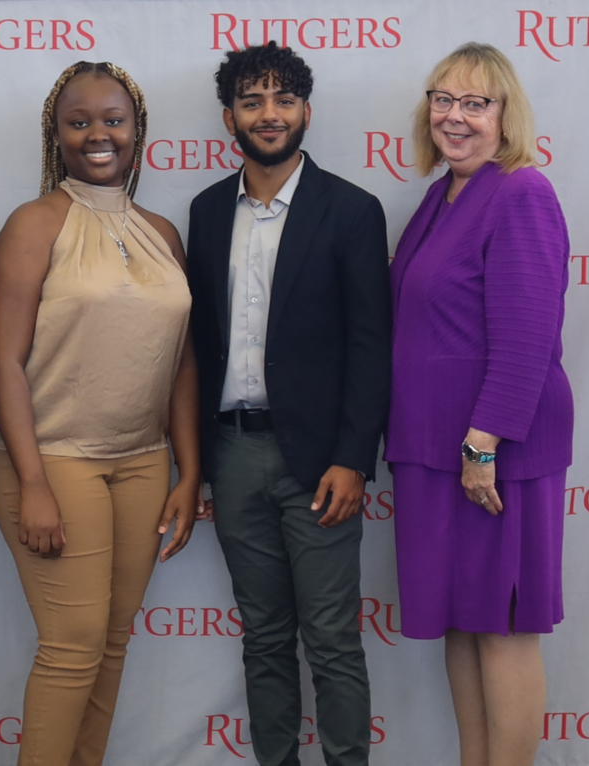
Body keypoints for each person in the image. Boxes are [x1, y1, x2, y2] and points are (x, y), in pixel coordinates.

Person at [0, 61, 200, 766]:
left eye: (114, 120)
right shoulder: (33, 224)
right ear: (57, 133)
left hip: (142, 463)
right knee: (72, 647)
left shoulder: (163, 233)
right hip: (54, 458)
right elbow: (5, 361)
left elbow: (182, 363)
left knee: (110, 643)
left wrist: (188, 470)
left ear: (138, 132)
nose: (97, 134)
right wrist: (36, 483)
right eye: (79, 122)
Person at [186, 42, 391, 766]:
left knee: (332, 638)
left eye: (282, 100)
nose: (268, 114)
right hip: (234, 454)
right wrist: (199, 461)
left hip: (320, 463)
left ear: (305, 110)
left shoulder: (352, 210)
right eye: (252, 101)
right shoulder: (206, 211)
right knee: (263, 635)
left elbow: (372, 348)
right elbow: (199, 345)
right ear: (228, 117)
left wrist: (352, 458)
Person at [386, 42, 572, 766]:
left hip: (494, 451)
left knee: (503, 627)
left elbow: (528, 339)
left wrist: (481, 447)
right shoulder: (442, 195)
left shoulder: (521, 192)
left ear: (505, 115)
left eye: (475, 103)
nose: (454, 117)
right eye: (443, 99)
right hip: (433, 449)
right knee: (463, 623)